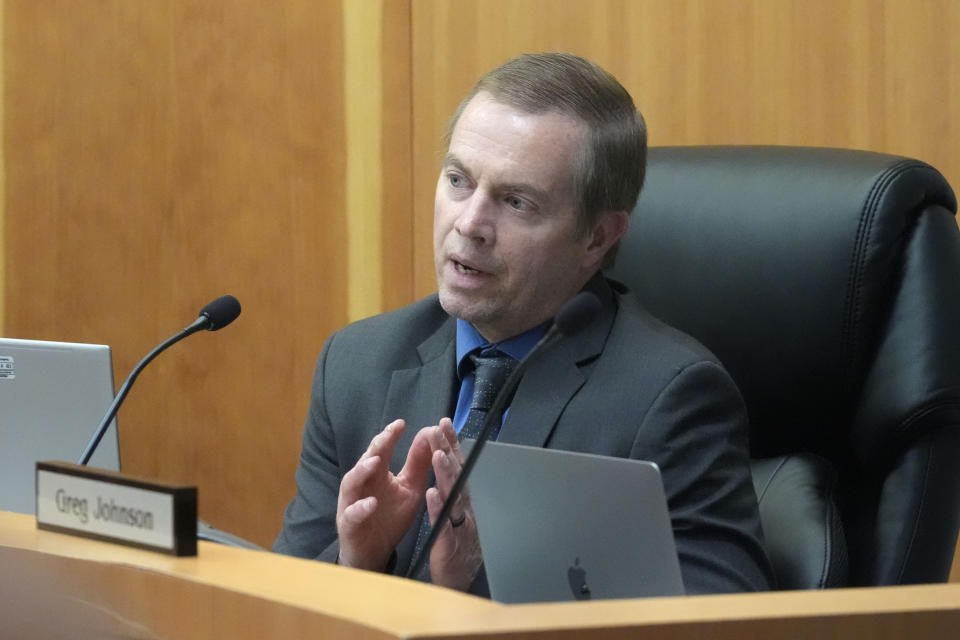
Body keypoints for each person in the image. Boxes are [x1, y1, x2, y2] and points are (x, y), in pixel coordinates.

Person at [274, 52, 774, 595]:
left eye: (516, 202)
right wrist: (358, 566)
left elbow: (718, 625)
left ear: (598, 237)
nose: (469, 224)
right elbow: (279, 606)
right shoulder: (357, 364)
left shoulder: (668, 398)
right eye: (458, 180)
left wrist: (470, 598)